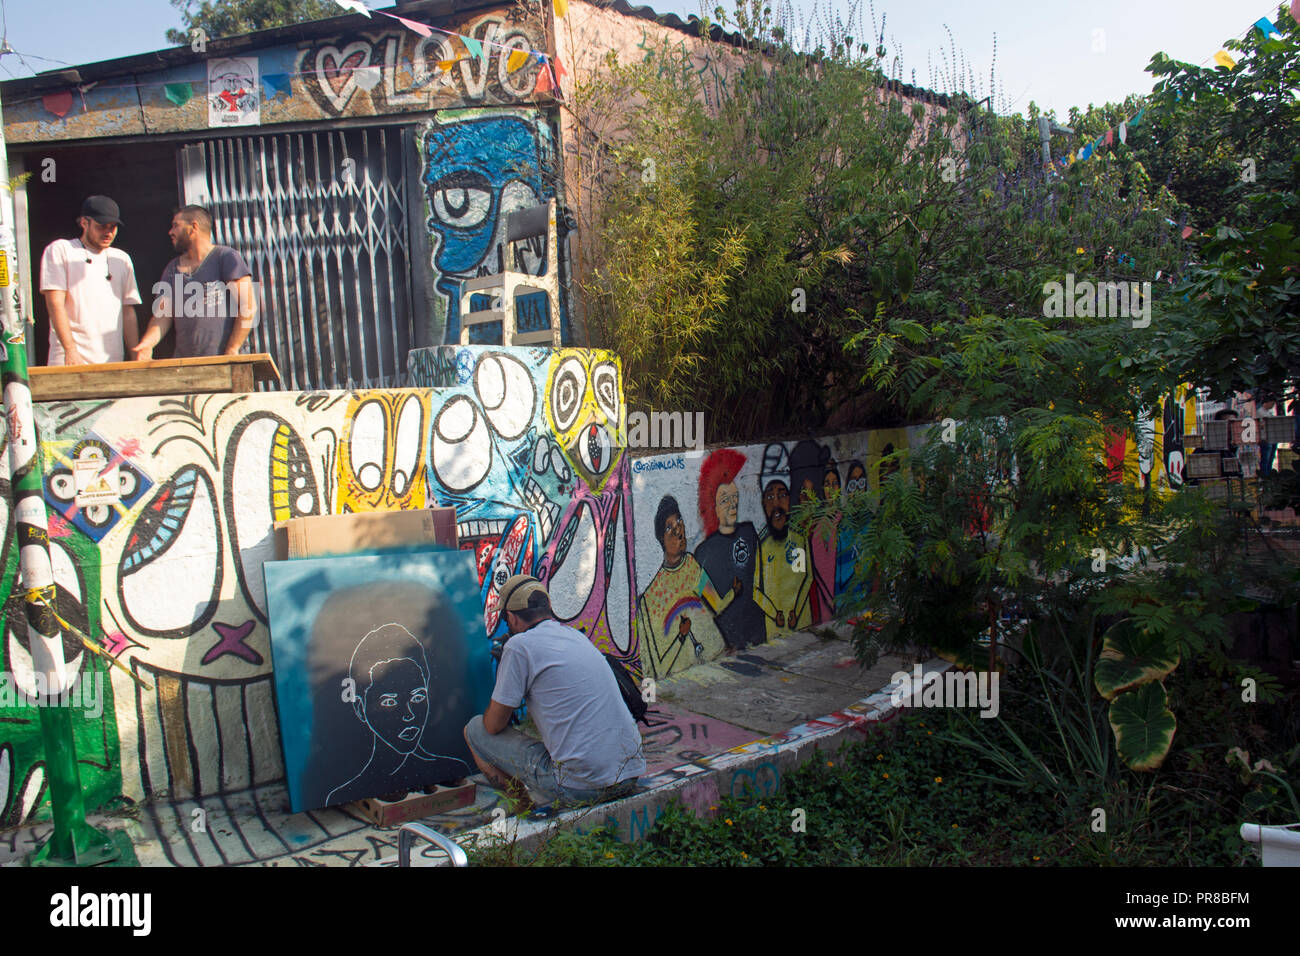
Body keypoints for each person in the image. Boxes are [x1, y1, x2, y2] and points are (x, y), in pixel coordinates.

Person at [463, 574, 644, 812]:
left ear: (512, 618)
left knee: (475, 730)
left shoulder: (519, 647)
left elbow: (493, 726)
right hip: (630, 774)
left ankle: (525, 815)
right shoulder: (576, 637)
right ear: (548, 608)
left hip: (582, 787)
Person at [133, 205, 256, 359]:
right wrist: (147, 344)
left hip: (222, 361)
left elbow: (248, 307)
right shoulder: (172, 268)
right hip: (184, 364)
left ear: (193, 227)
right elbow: (162, 316)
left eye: (176, 226)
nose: (171, 232)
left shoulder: (226, 258)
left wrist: (232, 349)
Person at [39, 195, 142, 366]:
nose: (108, 233)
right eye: (101, 226)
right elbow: (55, 304)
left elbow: (128, 311)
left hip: (112, 361)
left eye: (113, 227)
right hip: (70, 359)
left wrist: (135, 357)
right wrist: (70, 350)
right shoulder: (61, 250)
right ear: (84, 223)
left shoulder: (122, 259)